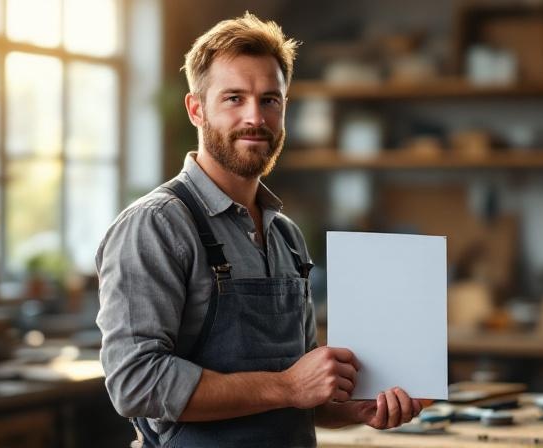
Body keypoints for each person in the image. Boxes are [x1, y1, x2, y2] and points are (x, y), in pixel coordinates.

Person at [96, 12, 424, 447]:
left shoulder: (285, 236)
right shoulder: (156, 226)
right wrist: (289, 386)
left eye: (270, 100)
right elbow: (136, 383)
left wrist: (356, 408)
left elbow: (300, 393)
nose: (256, 117)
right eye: (234, 98)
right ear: (197, 109)